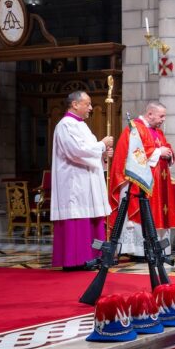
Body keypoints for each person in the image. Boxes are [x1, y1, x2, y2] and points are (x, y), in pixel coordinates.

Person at [50, 91, 113, 270]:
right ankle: (75, 260)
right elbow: (76, 151)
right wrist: (102, 145)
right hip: (74, 183)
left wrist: (103, 155)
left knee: (91, 219)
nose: (91, 108)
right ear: (75, 104)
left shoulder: (82, 125)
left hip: (87, 182)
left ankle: (93, 257)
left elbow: (89, 150)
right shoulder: (65, 125)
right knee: (77, 220)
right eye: (88, 104)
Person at [107, 102, 175, 258]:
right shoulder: (134, 129)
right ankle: (139, 251)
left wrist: (168, 152)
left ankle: (158, 249)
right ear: (150, 114)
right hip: (139, 183)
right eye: (161, 116)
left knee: (158, 212)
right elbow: (133, 154)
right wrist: (159, 151)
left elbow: (166, 147)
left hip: (159, 184)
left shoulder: (157, 132)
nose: (163, 119)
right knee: (141, 213)